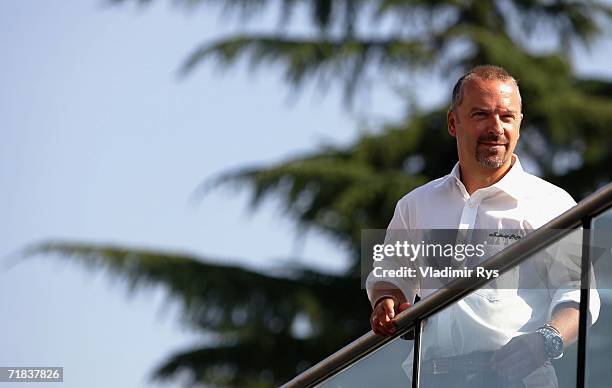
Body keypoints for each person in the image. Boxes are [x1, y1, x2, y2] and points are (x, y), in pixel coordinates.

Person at [365, 65, 600, 388]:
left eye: (507, 116)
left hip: (519, 380)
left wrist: (546, 340)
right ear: (453, 122)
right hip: (432, 379)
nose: (496, 128)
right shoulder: (415, 205)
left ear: (520, 124)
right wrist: (385, 302)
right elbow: (390, 276)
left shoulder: (552, 203)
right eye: (481, 115)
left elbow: (580, 297)